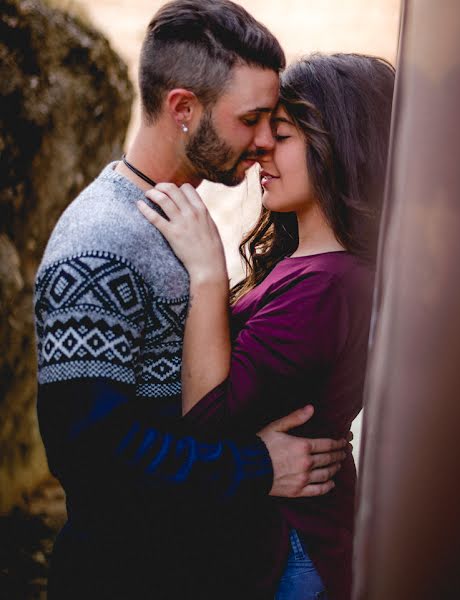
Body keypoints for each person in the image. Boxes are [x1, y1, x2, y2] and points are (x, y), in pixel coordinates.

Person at [33, 2, 347, 598]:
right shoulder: (101, 244)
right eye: (251, 119)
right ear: (183, 109)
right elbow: (91, 458)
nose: (263, 142)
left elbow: (181, 406)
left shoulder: (174, 218)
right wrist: (257, 467)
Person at [138, 53, 396, 600]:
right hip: (277, 543)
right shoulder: (308, 268)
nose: (260, 152)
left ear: (338, 147)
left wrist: (208, 274)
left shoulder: (326, 284)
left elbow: (206, 419)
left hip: (289, 551)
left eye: (282, 135)